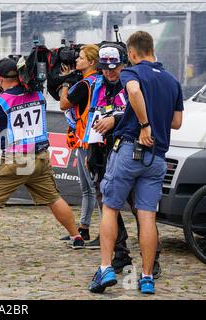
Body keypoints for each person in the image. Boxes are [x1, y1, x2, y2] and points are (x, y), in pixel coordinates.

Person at [88, 31, 183, 295]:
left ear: (130, 53)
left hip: (130, 148)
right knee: (147, 216)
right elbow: (176, 123)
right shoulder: (173, 81)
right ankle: (147, 276)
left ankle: (106, 267)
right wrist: (156, 119)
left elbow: (132, 91)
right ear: (152, 48)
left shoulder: (133, 73)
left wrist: (144, 124)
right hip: (157, 158)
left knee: (110, 207)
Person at [0, 57, 84, 255]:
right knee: (53, 198)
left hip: (16, 157)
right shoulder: (38, 94)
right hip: (41, 155)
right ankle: (76, 236)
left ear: (1, 78)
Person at [82, 44, 162, 278]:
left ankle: (152, 260)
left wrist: (114, 119)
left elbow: (138, 109)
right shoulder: (95, 84)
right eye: (104, 68)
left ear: (124, 63)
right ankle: (119, 254)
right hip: (101, 155)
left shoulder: (132, 81)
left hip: (130, 154)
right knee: (109, 208)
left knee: (142, 211)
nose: (109, 73)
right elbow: (72, 106)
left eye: (113, 68)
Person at [59, 44, 100, 242]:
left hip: (87, 141)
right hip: (90, 139)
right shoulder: (95, 81)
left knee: (93, 189)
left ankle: (105, 231)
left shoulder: (84, 85)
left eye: (81, 58)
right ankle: (83, 228)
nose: (76, 60)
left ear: (92, 62)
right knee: (89, 189)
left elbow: (63, 104)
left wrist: (66, 84)